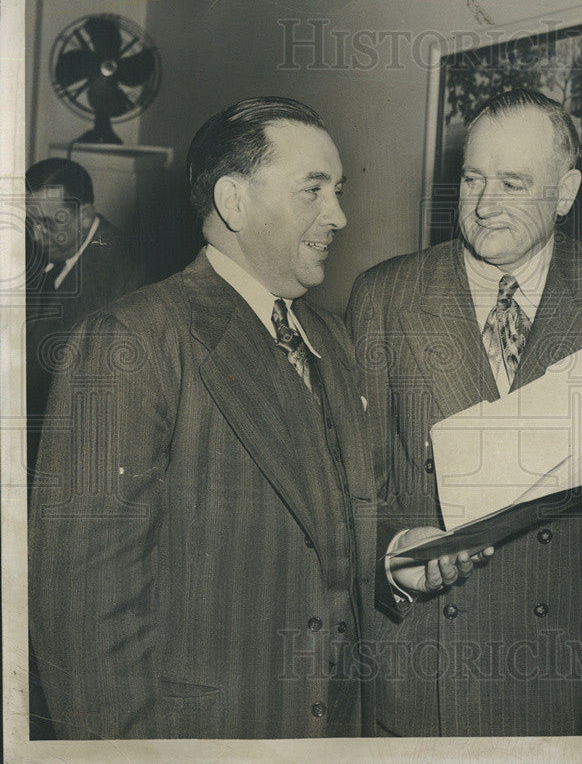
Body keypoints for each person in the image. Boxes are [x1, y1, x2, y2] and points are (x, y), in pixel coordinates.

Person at [28, 97, 472, 740]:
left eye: (339, 191)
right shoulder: (131, 341)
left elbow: (328, 522)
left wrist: (395, 550)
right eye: (313, 191)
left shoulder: (331, 339)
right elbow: (84, 619)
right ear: (234, 203)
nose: (340, 216)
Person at [347, 88, 582, 736]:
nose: (482, 204)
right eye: (473, 178)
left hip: (565, 681)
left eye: (512, 182)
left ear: (565, 193)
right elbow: (350, 483)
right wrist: (392, 555)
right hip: (424, 676)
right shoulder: (384, 295)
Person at [24, 158, 145, 477]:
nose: (36, 236)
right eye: (30, 223)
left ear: (85, 215)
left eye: (49, 224)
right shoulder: (50, 251)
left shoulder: (123, 275)